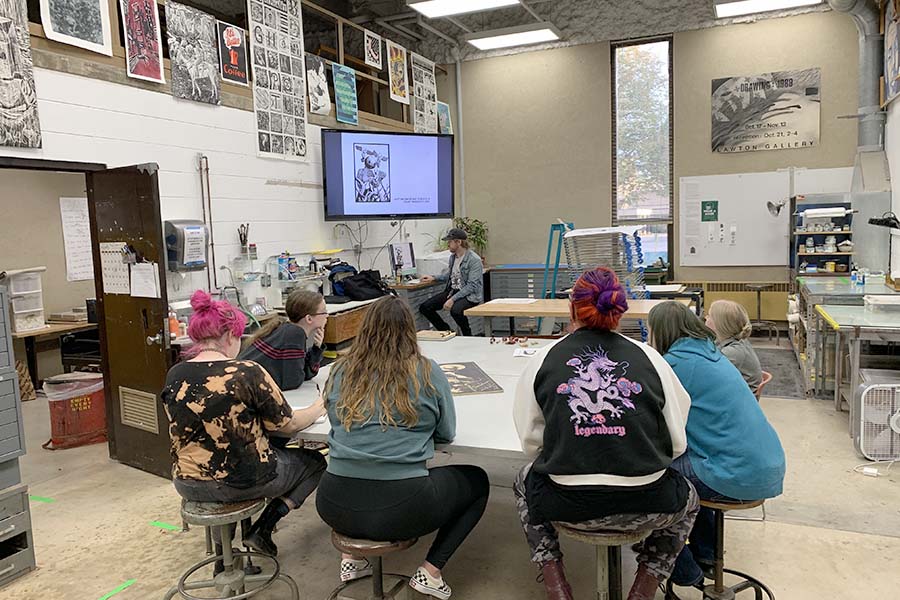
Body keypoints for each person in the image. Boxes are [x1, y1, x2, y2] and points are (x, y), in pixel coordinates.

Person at [513, 267, 699, 600]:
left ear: (572, 309)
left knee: (522, 481)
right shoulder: (651, 359)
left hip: (568, 504)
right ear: (619, 311)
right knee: (690, 495)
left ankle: (556, 583)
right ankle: (645, 587)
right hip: (648, 503)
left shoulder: (543, 359)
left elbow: (530, 442)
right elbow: (676, 442)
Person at [315, 296, 489, 600]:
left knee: (361, 480)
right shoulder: (426, 371)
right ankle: (431, 571)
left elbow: (336, 424)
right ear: (409, 331)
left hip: (333, 502)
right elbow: (446, 433)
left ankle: (352, 559)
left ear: (365, 330)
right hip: (401, 508)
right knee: (477, 481)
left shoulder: (341, 370)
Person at [161, 290, 327, 559]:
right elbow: (289, 425)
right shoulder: (246, 372)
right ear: (229, 336)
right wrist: (319, 406)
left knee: (222, 464)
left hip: (187, 481)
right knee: (314, 462)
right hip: (242, 481)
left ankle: (222, 555)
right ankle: (263, 527)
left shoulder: (175, 374)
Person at [647, 301, 786, 589]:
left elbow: (651, 422)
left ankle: (684, 571)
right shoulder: (710, 353)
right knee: (691, 467)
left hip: (737, 472)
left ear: (660, 332)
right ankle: (707, 554)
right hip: (764, 464)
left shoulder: (676, 364)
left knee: (650, 482)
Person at [239, 290, 327, 391]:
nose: (327, 316)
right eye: (324, 312)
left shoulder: (287, 329)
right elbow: (294, 381)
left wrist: (316, 349)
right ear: (309, 319)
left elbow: (303, 372)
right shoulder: (294, 333)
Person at [419, 228, 483, 337]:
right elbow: (450, 275)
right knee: (425, 307)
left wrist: (452, 299)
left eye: (450, 242)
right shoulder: (453, 258)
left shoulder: (474, 260)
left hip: (469, 294)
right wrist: (434, 278)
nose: (448, 244)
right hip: (452, 291)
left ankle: (468, 336)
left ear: (458, 242)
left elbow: (472, 286)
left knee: (456, 310)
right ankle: (449, 332)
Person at [705, 300, 763, 394]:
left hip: (738, 399)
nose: (706, 318)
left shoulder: (733, 352)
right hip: (734, 392)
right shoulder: (730, 340)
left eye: (709, 316)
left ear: (720, 324)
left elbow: (708, 375)